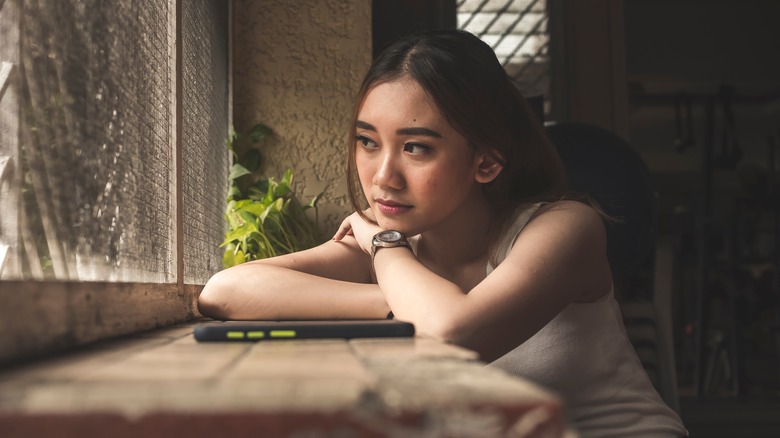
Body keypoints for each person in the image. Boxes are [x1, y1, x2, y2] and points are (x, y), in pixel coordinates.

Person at [199, 29, 687, 437]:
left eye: (415, 148)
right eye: (367, 142)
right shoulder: (398, 255)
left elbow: (456, 332)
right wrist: (399, 306)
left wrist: (385, 251)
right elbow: (225, 291)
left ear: (487, 160)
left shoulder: (565, 227)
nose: (382, 176)